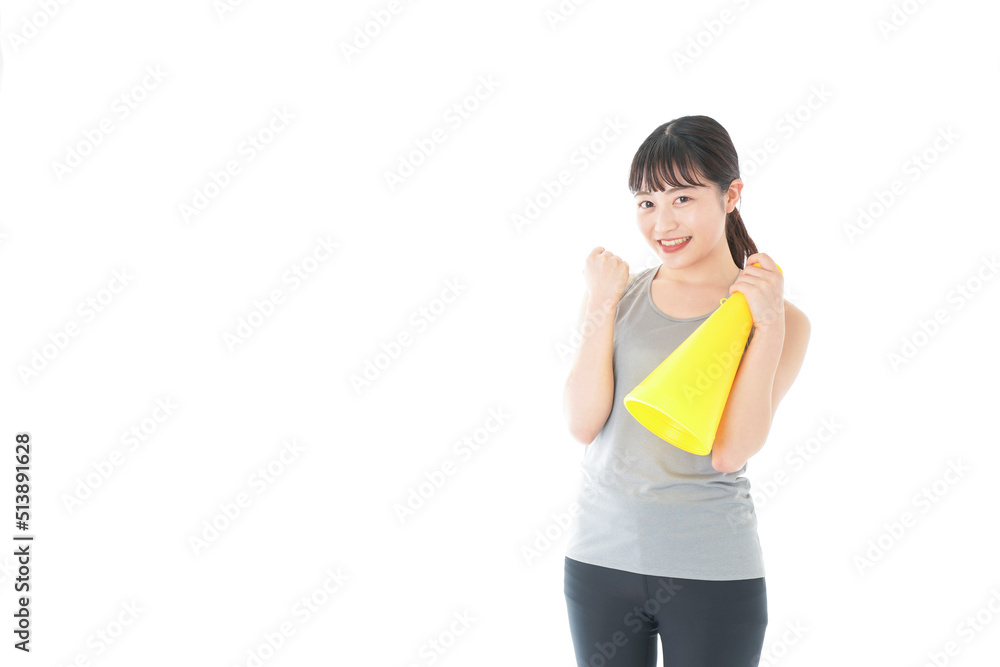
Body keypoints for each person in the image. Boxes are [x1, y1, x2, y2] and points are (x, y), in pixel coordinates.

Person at [561, 115, 811, 667]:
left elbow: (730, 452)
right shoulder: (618, 296)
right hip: (599, 563)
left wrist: (766, 326)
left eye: (682, 198)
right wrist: (600, 305)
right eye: (646, 202)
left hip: (712, 571)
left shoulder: (779, 317)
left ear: (731, 195)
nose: (661, 222)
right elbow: (582, 424)